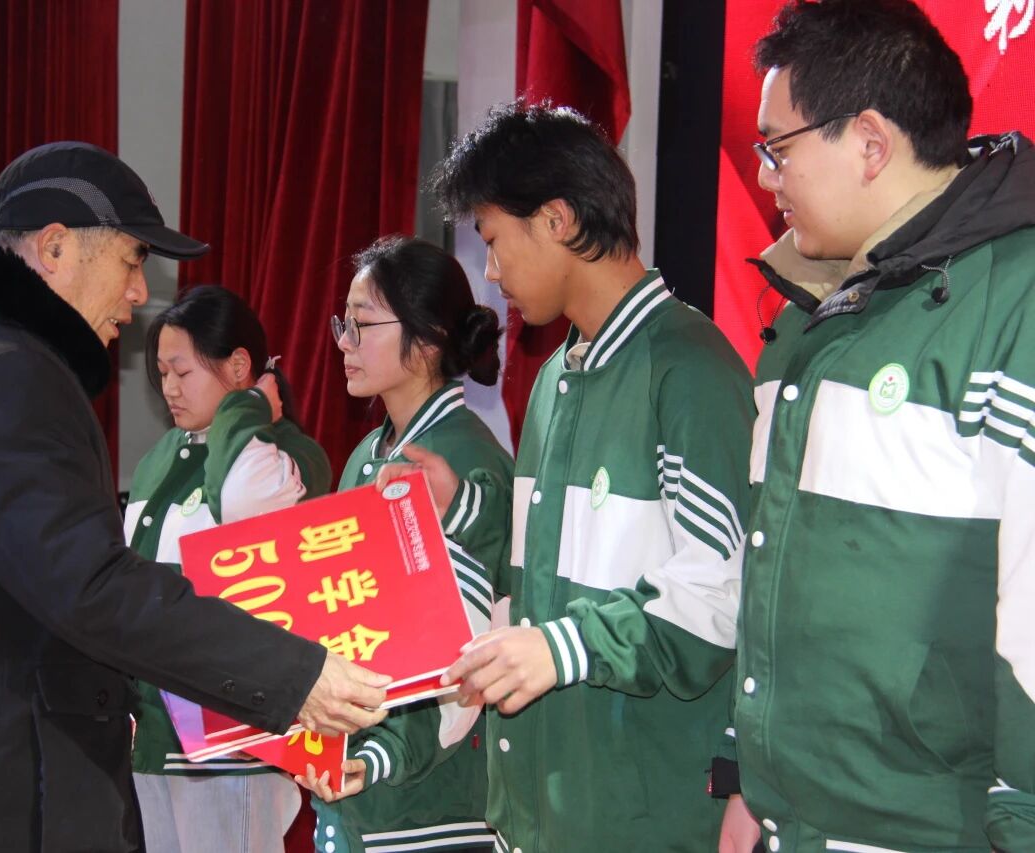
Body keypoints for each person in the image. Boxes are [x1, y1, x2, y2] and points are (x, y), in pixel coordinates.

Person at [0, 141, 389, 853]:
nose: (140, 293)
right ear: (55, 248)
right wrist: (296, 673)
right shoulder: (1, 377)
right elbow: (93, 589)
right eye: (131, 260)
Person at [393, 101, 756, 852]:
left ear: (557, 220)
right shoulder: (556, 376)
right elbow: (542, 589)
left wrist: (560, 647)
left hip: (640, 820)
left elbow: (720, 597)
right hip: (540, 813)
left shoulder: (690, 369)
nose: (492, 272)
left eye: (494, 240)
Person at [719, 2, 1035, 851]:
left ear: (868, 141)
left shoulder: (1016, 301)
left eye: (778, 149)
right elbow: (769, 570)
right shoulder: (806, 314)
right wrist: (747, 775)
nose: (766, 179)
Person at [298, 236, 514, 852]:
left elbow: (463, 662)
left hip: (429, 807)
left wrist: (380, 756)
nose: (343, 342)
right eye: (343, 324)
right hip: (359, 788)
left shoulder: (466, 460)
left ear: (427, 340)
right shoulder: (369, 455)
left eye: (362, 324)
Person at [125, 285, 331, 853]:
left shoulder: (286, 454)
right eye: (161, 373)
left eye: (182, 371)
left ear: (239, 366)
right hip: (152, 739)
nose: (169, 388)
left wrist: (248, 408)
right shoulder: (159, 458)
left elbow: (242, 502)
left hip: (230, 743)